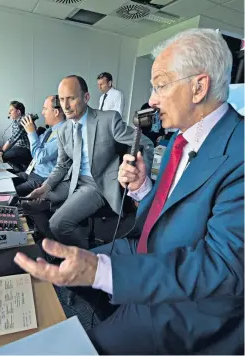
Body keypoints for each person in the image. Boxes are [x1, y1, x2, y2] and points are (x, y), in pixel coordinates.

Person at [14, 29, 244, 355]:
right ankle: (118, 311)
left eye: (160, 85)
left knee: (85, 345)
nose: (151, 99)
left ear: (199, 87)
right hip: (146, 253)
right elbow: (169, 210)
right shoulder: (182, 139)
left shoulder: (240, 154)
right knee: (72, 273)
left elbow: (223, 269)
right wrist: (143, 188)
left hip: (189, 306)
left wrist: (104, 273)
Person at [24, 75, 153, 249]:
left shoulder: (109, 119)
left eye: (71, 98)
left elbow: (146, 143)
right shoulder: (64, 130)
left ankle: (87, 258)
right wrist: (45, 187)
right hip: (73, 181)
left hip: (96, 184)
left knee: (58, 223)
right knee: (33, 205)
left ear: (86, 97)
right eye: (62, 100)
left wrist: (139, 175)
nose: (66, 106)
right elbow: (62, 165)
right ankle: (57, 247)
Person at [13, 95, 65, 197]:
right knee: (6, 181)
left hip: (42, 178)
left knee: (12, 192)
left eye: (45, 109)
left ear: (56, 112)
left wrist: (31, 133)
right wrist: (33, 129)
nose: (42, 112)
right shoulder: (50, 130)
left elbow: (40, 156)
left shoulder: (63, 133)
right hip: (32, 172)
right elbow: (36, 149)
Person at [0, 101, 32, 170]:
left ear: (18, 111)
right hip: (18, 147)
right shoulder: (15, 121)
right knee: (4, 153)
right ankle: (18, 169)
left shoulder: (23, 121)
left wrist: (1, 151)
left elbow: (12, 139)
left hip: (25, 148)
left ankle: (19, 170)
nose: (9, 113)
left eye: (11, 110)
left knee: (4, 156)